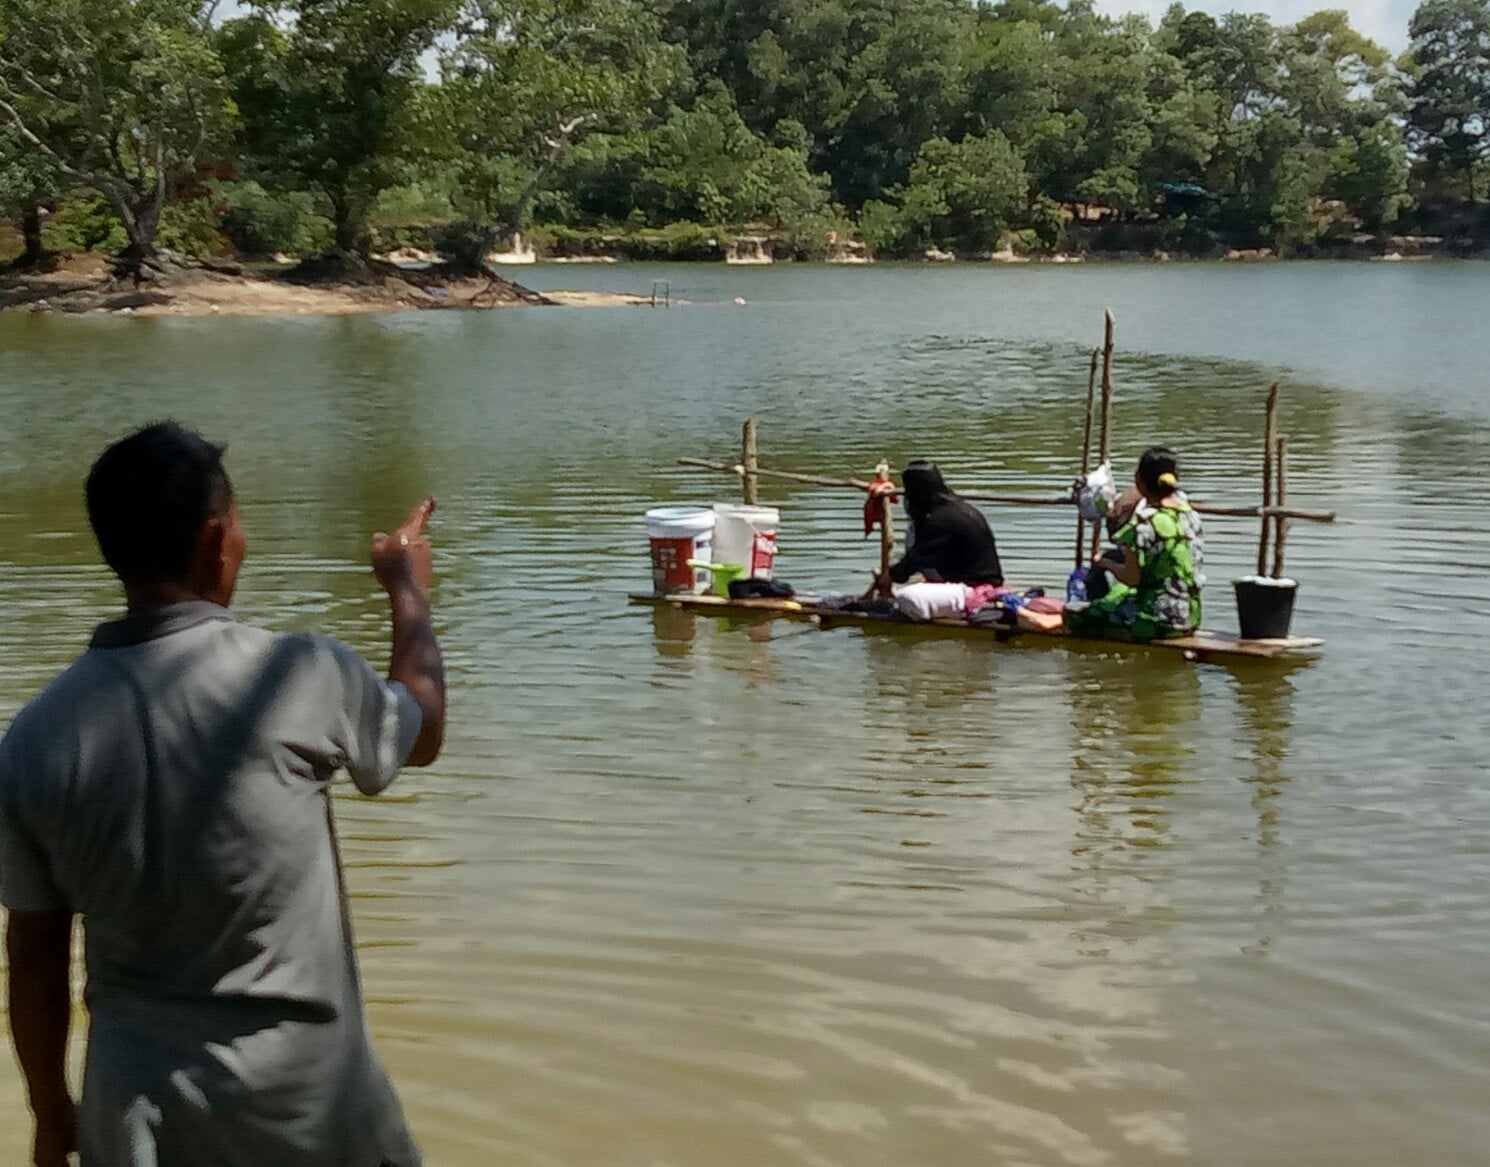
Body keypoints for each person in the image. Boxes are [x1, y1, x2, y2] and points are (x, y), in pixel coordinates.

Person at [0, 423, 446, 1167]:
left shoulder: (33, 739)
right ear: (216, 540)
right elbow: (421, 727)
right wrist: (406, 587)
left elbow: (35, 956)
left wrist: (51, 1114)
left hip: (139, 1117)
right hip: (308, 1110)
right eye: (238, 520)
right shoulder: (303, 674)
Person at [1065, 445, 1204, 641]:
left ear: (1138, 479)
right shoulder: (1190, 515)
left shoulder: (1144, 523)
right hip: (1190, 616)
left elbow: (1131, 578)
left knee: (1075, 615)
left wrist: (1106, 563)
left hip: (1154, 620)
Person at [878, 459, 1004, 589]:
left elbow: (912, 562)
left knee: (909, 596)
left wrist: (888, 576)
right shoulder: (956, 509)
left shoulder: (940, 521)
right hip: (977, 582)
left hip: (975, 588)